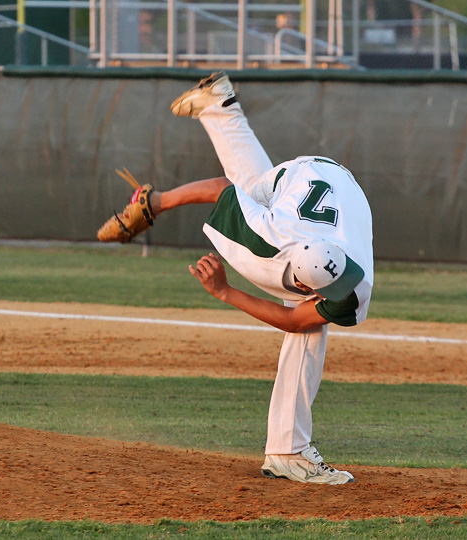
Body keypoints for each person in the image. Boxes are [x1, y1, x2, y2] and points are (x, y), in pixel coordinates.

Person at [150, 72, 373, 484]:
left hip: (338, 183)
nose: (343, 293)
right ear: (303, 286)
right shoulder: (272, 234)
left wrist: (227, 292)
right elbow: (223, 189)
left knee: (309, 328)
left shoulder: (354, 271)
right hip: (297, 180)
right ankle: (287, 450)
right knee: (250, 189)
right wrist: (156, 203)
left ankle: (217, 106)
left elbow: (296, 318)